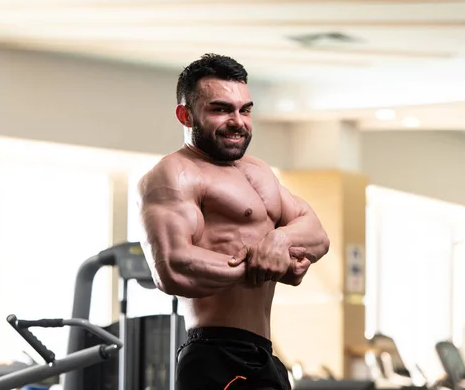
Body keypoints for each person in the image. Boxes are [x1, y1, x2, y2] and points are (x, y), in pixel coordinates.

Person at [137, 53, 330, 390]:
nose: (238, 121)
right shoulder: (175, 174)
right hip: (214, 352)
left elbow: (316, 234)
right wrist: (268, 264)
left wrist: (279, 242)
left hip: (263, 353)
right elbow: (172, 266)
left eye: (245, 110)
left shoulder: (258, 171)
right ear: (186, 115)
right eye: (221, 109)